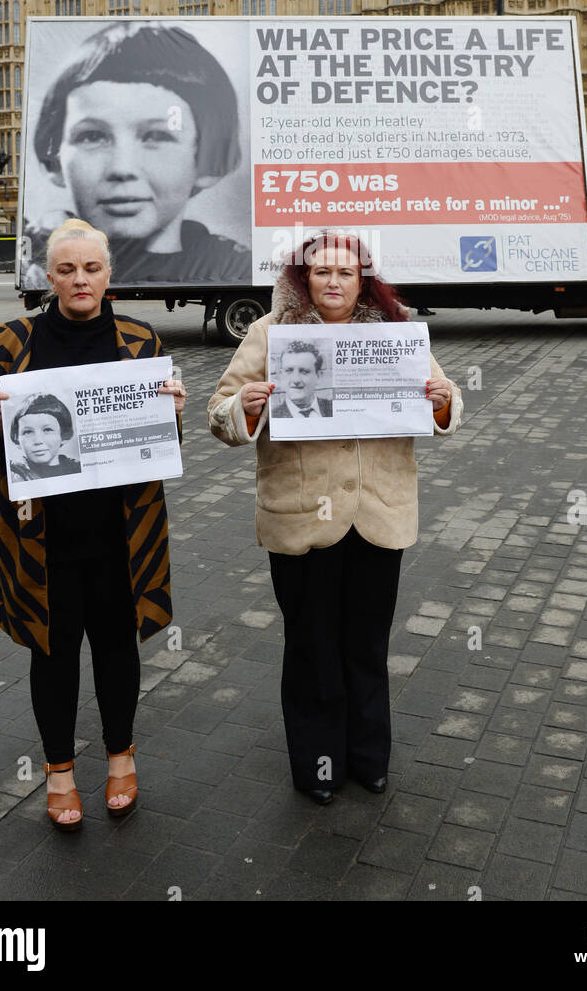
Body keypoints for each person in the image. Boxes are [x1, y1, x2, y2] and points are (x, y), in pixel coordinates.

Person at [207, 229, 462, 804]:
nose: (334, 282)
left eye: (346, 273)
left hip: (377, 513)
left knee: (367, 645)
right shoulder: (271, 334)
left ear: (363, 280)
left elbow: (446, 402)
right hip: (302, 518)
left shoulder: (394, 333)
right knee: (311, 645)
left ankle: (369, 758)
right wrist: (242, 409)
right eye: (322, 272)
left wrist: (443, 398)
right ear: (303, 277)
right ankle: (318, 763)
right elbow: (218, 414)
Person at [0, 217, 186, 830]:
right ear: (48, 276)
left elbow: (163, 440)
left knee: (117, 647)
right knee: (52, 651)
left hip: (121, 531)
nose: (80, 279)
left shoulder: (141, 339)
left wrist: (172, 412)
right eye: (67, 270)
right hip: (40, 533)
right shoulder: (10, 340)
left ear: (108, 274)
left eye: (91, 268)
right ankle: (59, 772)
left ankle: (121, 759)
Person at [22, 20, 250, 286]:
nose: (122, 167)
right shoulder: (36, 258)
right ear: (55, 161)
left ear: (206, 161)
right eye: (93, 136)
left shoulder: (236, 267)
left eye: (156, 136)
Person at [8, 394, 81, 482]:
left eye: (47, 430)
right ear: (17, 439)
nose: (38, 441)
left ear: (63, 435)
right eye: (28, 432)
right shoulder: (14, 474)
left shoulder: (78, 468)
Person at [271, 340, 333, 419]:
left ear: (318, 376)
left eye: (304, 371)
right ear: (281, 375)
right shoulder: (272, 416)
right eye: (289, 371)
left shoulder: (332, 408)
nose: (296, 380)